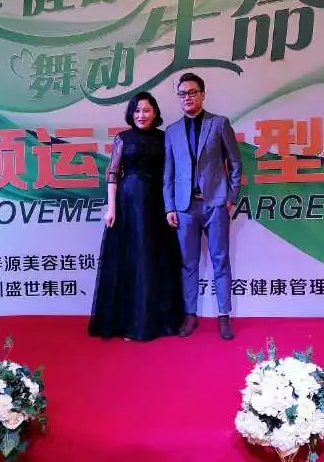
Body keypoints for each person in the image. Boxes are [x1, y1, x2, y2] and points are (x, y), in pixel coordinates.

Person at [88, 92, 184, 341]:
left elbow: (171, 174)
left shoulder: (165, 138)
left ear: (155, 113)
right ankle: (130, 323)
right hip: (129, 203)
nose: (141, 115)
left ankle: (155, 321)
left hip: (157, 202)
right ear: (131, 114)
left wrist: (171, 205)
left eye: (146, 110)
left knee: (155, 259)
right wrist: (111, 208)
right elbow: (113, 175)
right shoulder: (123, 138)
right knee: (133, 260)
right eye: (137, 110)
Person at [164, 72, 242, 340]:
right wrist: (170, 207)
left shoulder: (219, 124)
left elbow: (235, 163)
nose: (187, 98)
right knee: (188, 263)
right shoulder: (172, 131)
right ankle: (190, 314)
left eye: (192, 92)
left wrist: (231, 197)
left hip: (215, 204)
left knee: (220, 260)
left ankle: (224, 315)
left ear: (203, 94)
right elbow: (168, 173)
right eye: (182, 94)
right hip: (185, 208)